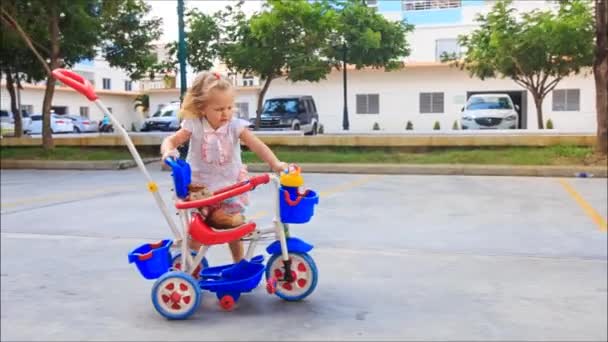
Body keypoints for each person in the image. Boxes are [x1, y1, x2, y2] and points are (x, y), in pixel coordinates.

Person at [160, 71, 288, 262]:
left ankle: (239, 262)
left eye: (229, 107)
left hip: (230, 186)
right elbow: (171, 140)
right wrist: (168, 151)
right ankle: (190, 264)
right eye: (219, 109)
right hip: (201, 190)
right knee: (198, 232)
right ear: (203, 108)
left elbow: (257, 145)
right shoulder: (194, 125)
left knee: (234, 229)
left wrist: (275, 163)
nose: (225, 113)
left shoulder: (235, 126)